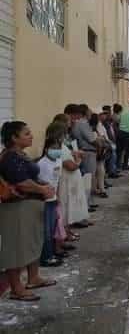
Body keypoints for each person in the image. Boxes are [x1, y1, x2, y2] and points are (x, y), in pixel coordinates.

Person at [0, 121, 57, 302]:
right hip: (17, 208)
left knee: (33, 242)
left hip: (30, 206)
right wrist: (42, 189)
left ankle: (33, 278)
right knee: (16, 247)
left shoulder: (21, 155)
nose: (31, 136)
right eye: (26, 133)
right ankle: (16, 288)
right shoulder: (9, 157)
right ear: (14, 138)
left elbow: (31, 176)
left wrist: (43, 185)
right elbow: (22, 182)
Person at [37, 123, 67, 267]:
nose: (56, 151)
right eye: (53, 148)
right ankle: (46, 257)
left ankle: (54, 252)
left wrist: (58, 198)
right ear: (46, 149)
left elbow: (58, 180)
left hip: (54, 200)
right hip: (45, 201)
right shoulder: (42, 164)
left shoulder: (59, 161)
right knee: (46, 231)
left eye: (58, 148)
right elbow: (39, 183)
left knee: (55, 228)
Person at [53, 114, 88, 233]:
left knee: (69, 207)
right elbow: (70, 166)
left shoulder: (59, 146)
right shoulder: (57, 148)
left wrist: (73, 153)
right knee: (65, 208)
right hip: (66, 180)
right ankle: (63, 234)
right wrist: (78, 159)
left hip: (69, 180)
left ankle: (66, 232)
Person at [72, 104, 99, 213]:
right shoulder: (83, 124)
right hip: (87, 151)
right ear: (85, 112)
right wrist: (100, 145)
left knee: (89, 177)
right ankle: (86, 204)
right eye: (89, 111)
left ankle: (88, 202)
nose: (91, 112)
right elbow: (91, 139)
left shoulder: (81, 123)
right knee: (88, 178)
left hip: (86, 151)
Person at [89, 112, 109, 199]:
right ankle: (101, 189)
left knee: (95, 172)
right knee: (100, 170)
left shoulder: (91, 128)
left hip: (96, 152)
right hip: (97, 152)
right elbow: (102, 138)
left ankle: (96, 188)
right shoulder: (95, 129)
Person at [101, 106, 119, 179]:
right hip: (108, 142)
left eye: (109, 112)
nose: (109, 114)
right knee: (112, 157)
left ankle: (112, 170)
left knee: (113, 157)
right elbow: (105, 134)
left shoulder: (109, 121)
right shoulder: (104, 123)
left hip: (111, 141)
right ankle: (111, 172)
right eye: (106, 113)